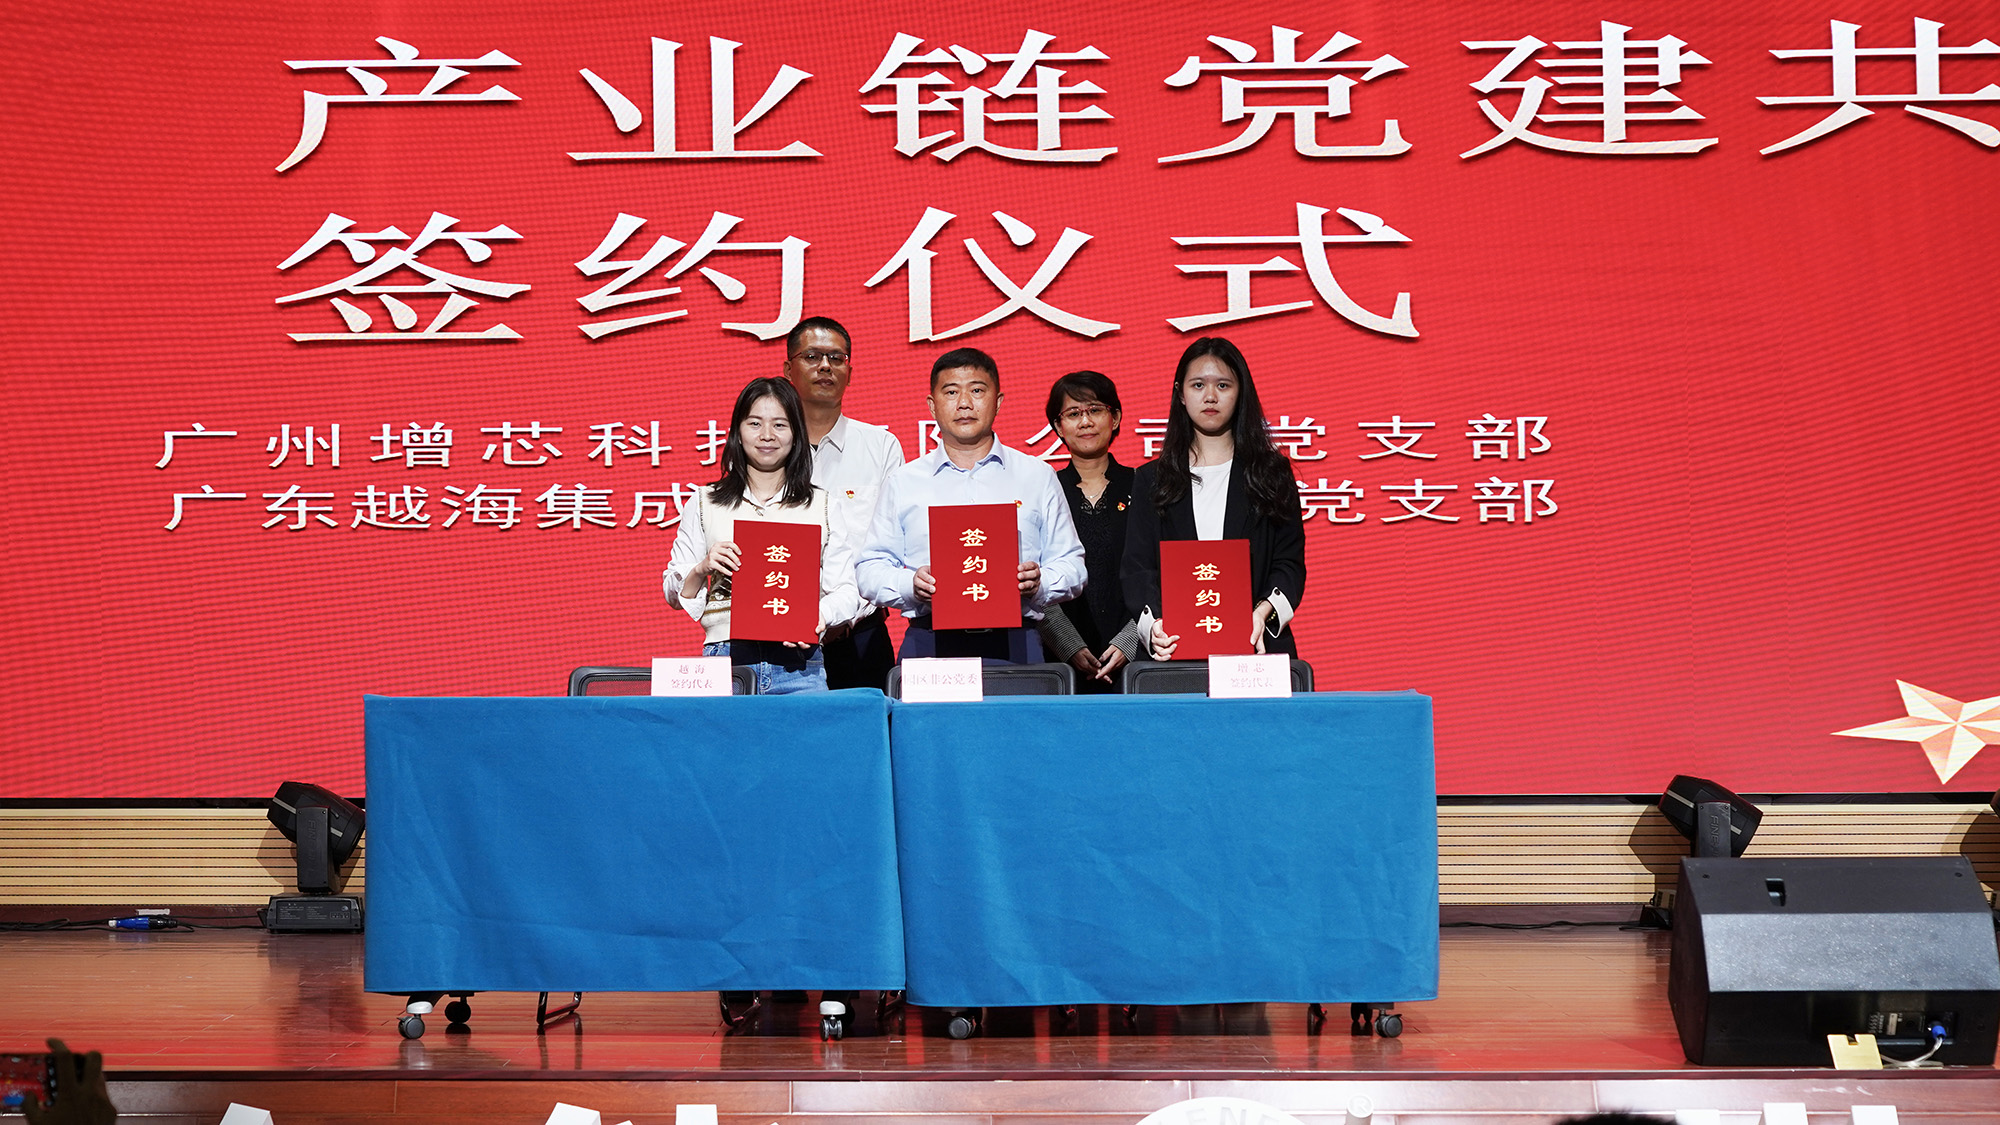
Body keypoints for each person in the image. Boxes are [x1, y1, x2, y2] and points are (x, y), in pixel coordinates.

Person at [857, 347, 1086, 663]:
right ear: (932, 405)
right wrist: (910, 584)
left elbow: (1073, 566)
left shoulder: (1037, 476)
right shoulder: (904, 481)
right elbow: (869, 569)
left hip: (1016, 644)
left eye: (977, 390)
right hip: (929, 644)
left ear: (998, 401)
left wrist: (1039, 582)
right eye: (951, 392)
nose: (964, 403)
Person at [663, 377, 861, 693]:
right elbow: (673, 593)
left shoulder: (822, 505)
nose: (767, 435)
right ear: (738, 432)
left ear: (796, 434)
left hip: (798, 666)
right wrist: (702, 568)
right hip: (726, 662)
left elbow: (847, 591)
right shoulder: (704, 502)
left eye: (780, 425)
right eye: (754, 423)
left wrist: (817, 615)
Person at [1122, 337, 1306, 658]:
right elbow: (1138, 567)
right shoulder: (1153, 478)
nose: (1210, 396)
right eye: (1198, 385)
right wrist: (1155, 627)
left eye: (1223, 385)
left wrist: (1262, 613)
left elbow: (1288, 562)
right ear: (1181, 394)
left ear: (1240, 392)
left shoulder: (1271, 473)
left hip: (1255, 648)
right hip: (1174, 650)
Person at [783, 316, 905, 690]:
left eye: (836, 358)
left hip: (859, 637)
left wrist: (841, 614)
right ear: (788, 370)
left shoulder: (880, 447)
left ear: (849, 372)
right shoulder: (766, 447)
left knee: (871, 727)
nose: (825, 366)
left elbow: (892, 545)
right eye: (812, 356)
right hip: (778, 637)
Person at [1036, 371, 1139, 691]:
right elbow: (1033, 576)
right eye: (1073, 414)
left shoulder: (1145, 485)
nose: (1085, 422)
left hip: (1139, 659)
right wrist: (1068, 645)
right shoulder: (1044, 490)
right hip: (1058, 662)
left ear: (1115, 417)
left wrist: (1130, 641)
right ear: (1058, 427)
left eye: (1095, 410)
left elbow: (1161, 574)